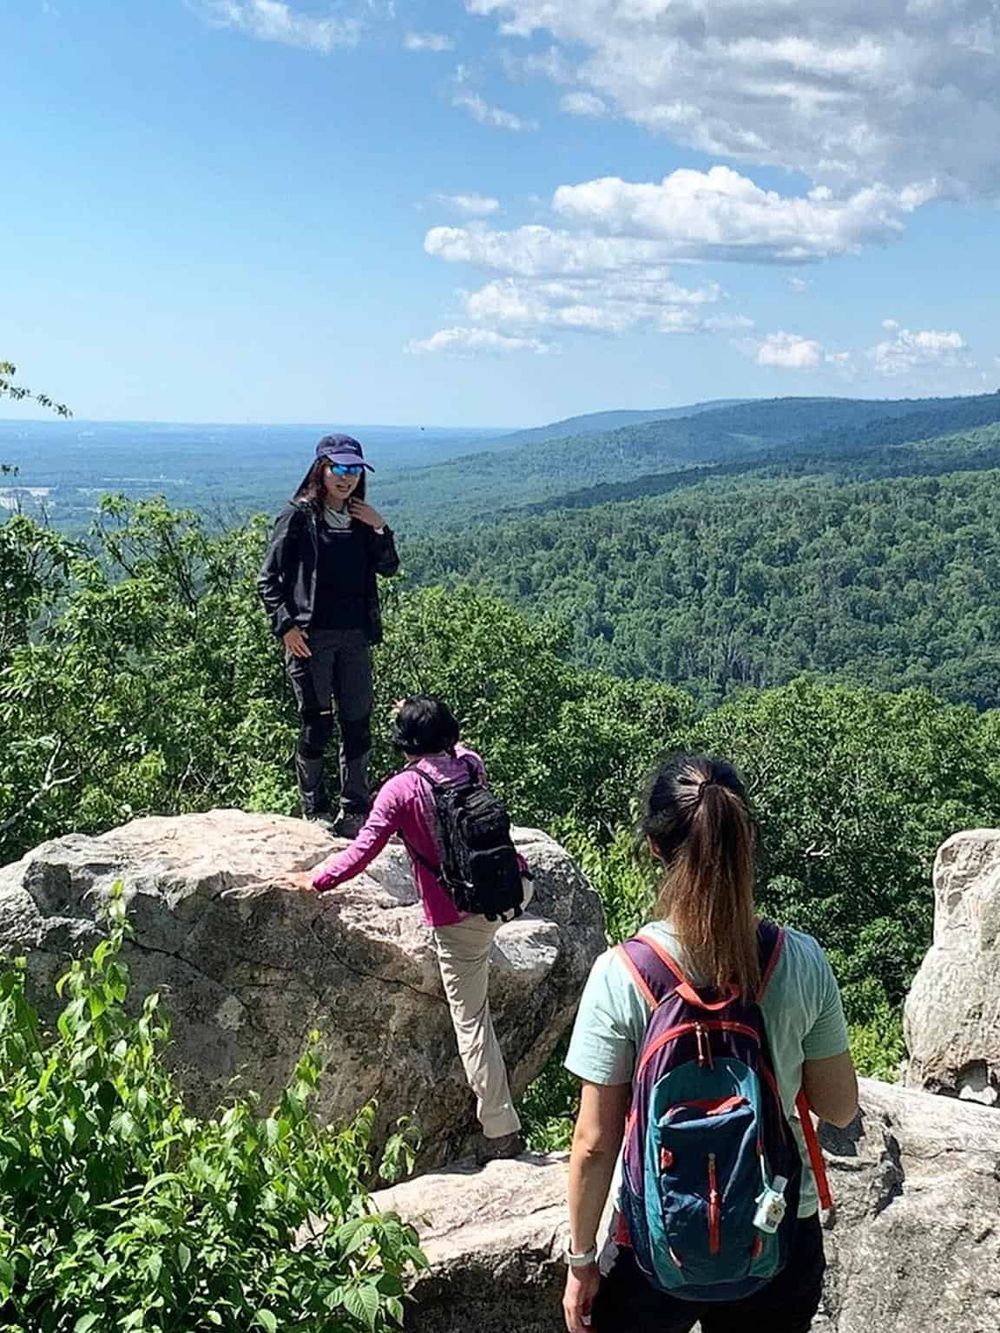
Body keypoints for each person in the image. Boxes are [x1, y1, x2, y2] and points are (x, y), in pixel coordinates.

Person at [562, 753, 858, 1333]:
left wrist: (580, 1263)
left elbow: (595, 1143)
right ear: (745, 842)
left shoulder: (622, 973)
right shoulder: (799, 959)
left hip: (657, 1235)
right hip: (776, 1229)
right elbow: (840, 1106)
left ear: (653, 848)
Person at [302, 695, 529, 1165]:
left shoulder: (401, 790)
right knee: (484, 959)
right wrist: (425, 717)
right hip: (513, 889)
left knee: (472, 1024)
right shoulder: (470, 765)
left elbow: (362, 851)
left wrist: (313, 880)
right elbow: (454, 746)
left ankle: (501, 1131)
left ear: (404, 744)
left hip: (458, 918)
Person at [257, 434, 399, 838]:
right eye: (339, 468)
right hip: (311, 638)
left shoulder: (361, 520)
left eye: (354, 470)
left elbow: (388, 567)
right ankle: (314, 806)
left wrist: (380, 528)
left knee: (357, 722)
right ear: (320, 468)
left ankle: (355, 807)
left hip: (354, 637)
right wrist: (285, 626)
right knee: (316, 723)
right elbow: (267, 580)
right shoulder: (298, 517)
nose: (347, 478)